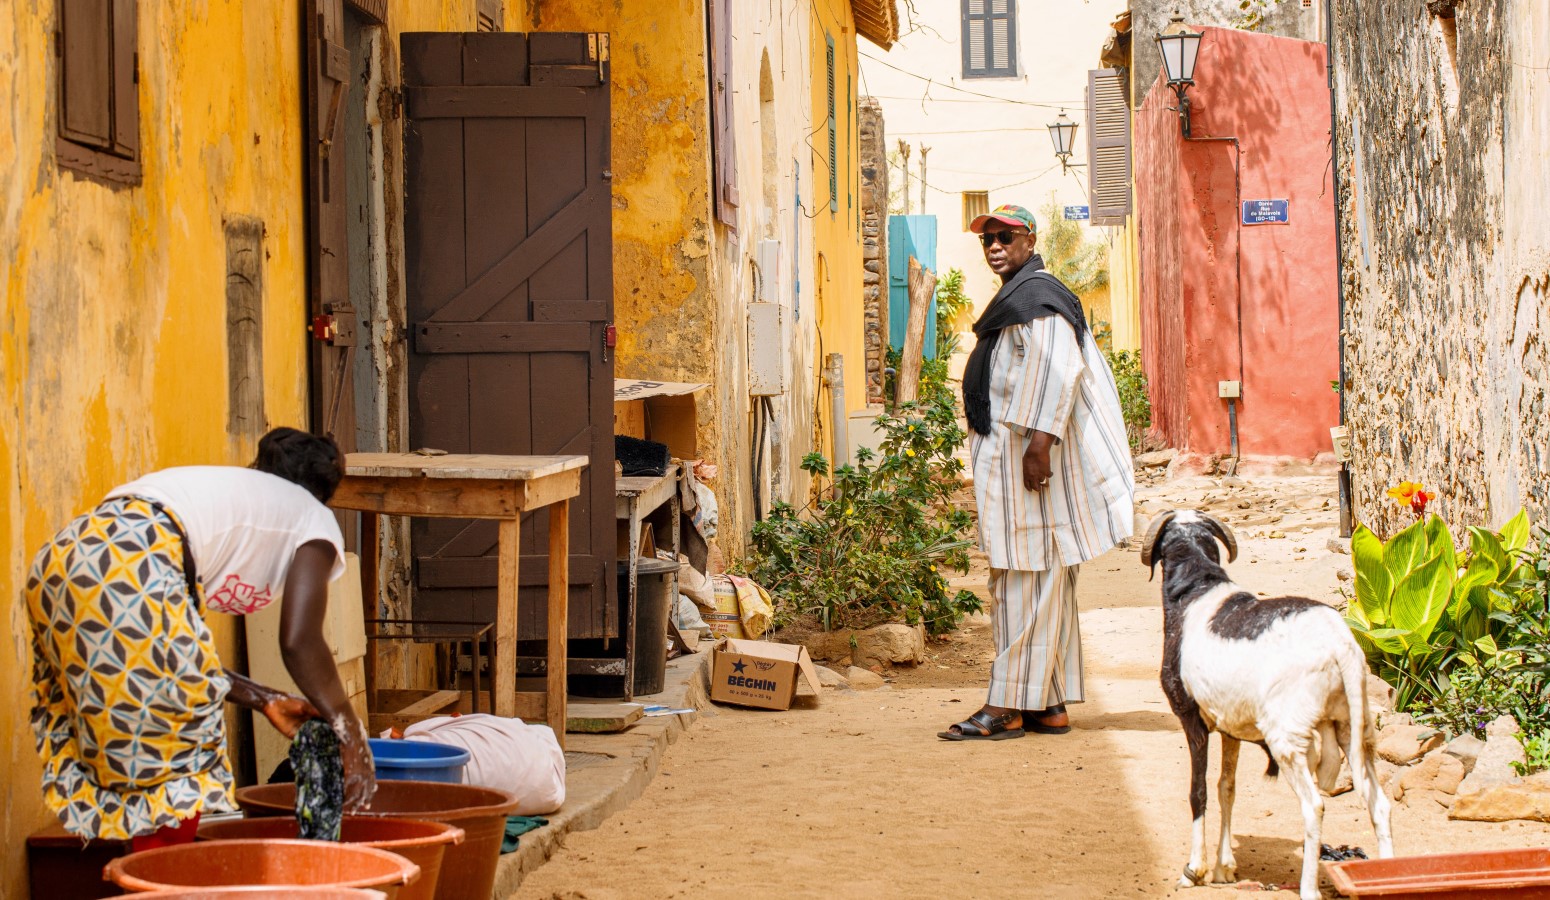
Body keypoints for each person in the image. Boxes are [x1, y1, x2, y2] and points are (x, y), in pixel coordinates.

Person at [26, 427, 376, 847]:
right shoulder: (312, 516)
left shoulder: (215, 498)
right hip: (133, 560)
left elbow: (183, 665)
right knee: (181, 764)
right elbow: (300, 640)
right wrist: (351, 734)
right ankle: (163, 882)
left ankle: (145, 877)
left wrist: (264, 699)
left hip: (64, 560)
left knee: (139, 766)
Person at [940, 205, 1136, 741]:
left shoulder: (1038, 300)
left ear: (1031, 240)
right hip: (1014, 460)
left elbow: (1057, 371)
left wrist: (1039, 447)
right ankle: (1047, 703)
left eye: (1006, 237)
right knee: (1034, 574)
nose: (995, 247)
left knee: (1025, 577)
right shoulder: (1020, 298)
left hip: (1029, 464)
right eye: (987, 240)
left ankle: (1005, 705)